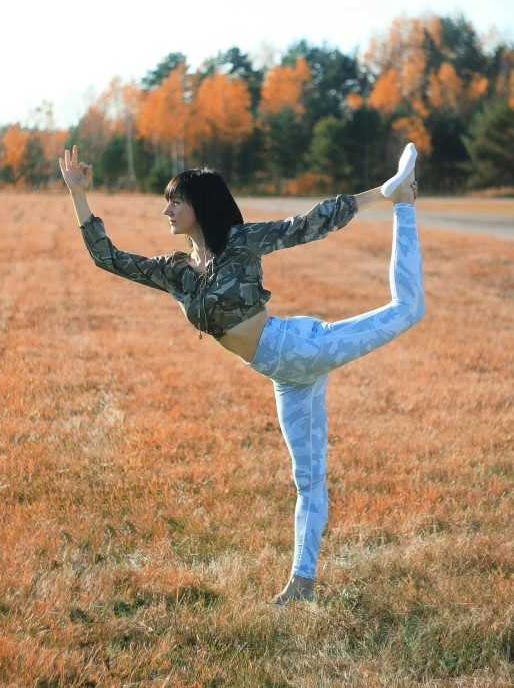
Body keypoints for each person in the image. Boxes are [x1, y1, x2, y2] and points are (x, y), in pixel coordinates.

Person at [60, 143, 424, 606]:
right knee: (308, 480)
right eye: (167, 199)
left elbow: (309, 224)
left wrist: (380, 194)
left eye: (176, 200)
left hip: (301, 346)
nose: (165, 209)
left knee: (407, 309)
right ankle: (302, 585)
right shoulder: (177, 273)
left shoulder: (240, 242)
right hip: (285, 375)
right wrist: (79, 196)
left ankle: (404, 201)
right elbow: (107, 257)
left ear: (201, 205)